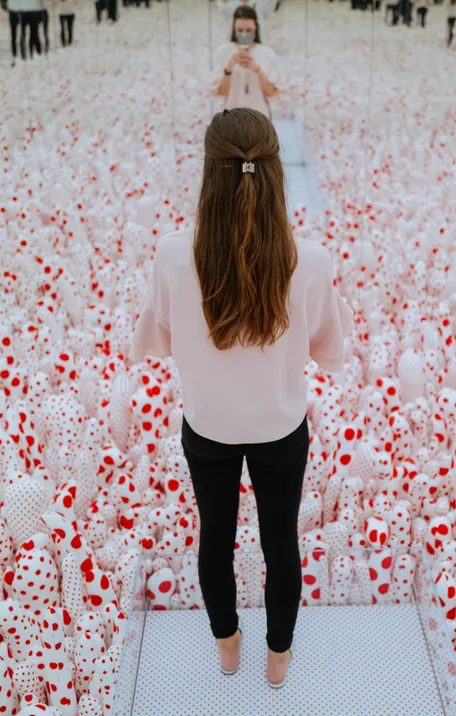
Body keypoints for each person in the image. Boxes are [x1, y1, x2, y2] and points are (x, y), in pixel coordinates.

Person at [131, 107, 352, 691]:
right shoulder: (312, 259)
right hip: (281, 428)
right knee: (281, 542)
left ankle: (228, 649)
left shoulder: (174, 254)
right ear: (276, 171)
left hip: (208, 429)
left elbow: (157, 337)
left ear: (209, 173)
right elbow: (332, 350)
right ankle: (278, 659)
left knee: (215, 538)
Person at [214, 7, 278, 118]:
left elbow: (271, 92)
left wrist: (257, 70)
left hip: (259, 118)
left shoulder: (267, 53)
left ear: (256, 28)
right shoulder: (223, 52)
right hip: (231, 118)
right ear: (234, 29)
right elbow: (220, 93)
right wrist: (228, 69)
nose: (244, 34)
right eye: (239, 30)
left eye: (248, 30)